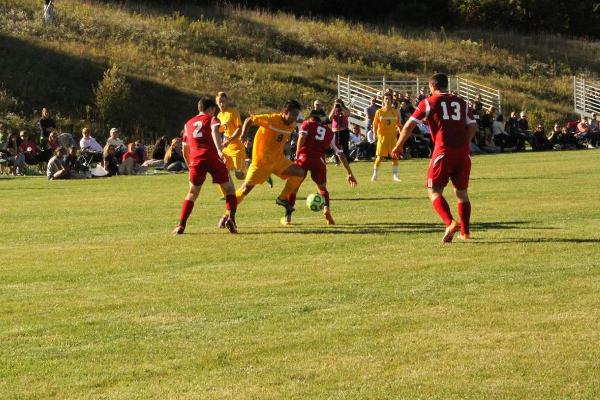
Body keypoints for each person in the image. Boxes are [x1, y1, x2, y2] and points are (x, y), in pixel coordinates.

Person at [392, 73, 478, 243]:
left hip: (443, 151)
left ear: (432, 86)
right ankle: (465, 233)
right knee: (462, 193)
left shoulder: (428, 102)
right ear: (446, 85)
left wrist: (399, 144)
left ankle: (450, 223)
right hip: (462, 152)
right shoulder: (461, 102)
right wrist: (464, 143)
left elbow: (409, 125)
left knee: (433, 190)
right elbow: (474, 126)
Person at [172, 97, 238, 235]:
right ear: (212, 109)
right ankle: (231, 219)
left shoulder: (188, 124)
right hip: (213, 157)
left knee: (192, 193)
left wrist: (190, 164)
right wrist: (220, 150)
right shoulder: (212, 119)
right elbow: (214, 131)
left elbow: (185, 148)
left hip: (196, 160)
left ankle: (181, 225)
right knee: (230, 189)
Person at [236, 100, 306, 225]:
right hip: (261, 163)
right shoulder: (271, 119)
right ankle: (227, 215)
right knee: (245, 189)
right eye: (294, 114)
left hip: (278, 161)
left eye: (297, 115)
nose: (295, 118)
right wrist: (244, 135)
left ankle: (282, 198)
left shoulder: (292, 124)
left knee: (299, 173)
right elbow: (249, 120)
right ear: (285, 112)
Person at [287, 110, 358, 225]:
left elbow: (302, 138)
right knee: (322, 189)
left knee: (293, 188)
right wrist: (349, 173)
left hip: (303, 158)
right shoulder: (330, 133)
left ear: (311, 119)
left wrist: (297, 155)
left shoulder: (307, 124)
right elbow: (340, 153)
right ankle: (326, 210)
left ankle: (288, 217)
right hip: (319, 162)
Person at [372, 92, 401, 182]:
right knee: (379, 157)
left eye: (389, 99)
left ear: (392, 100)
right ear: (383, 100)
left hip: (392, 138)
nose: (387, 100)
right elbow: (375, 124)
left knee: (394, 156)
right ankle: (375, 175)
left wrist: (401, 135)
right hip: (382, 137)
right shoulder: (379, 112)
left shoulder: (395, 112)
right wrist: (374, 134)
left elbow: (399, 125)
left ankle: (395, 176)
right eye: (386, 99)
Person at [216, 92, 246, 181]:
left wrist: (228, 140)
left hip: (237, 148)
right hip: (226, 148)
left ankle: (254, 173)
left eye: (223, 101)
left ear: (227, 101)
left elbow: (239, 129)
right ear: (216, 103)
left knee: (239, 175)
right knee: (222, 171)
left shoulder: (233, 112)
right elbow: (221, 130)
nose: (221, 104)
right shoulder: (219, 115)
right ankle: (228, 193)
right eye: (219, 102)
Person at [328, 99, 351, 164]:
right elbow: (330, 118)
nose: (337, 104)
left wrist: (341, 107)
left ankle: (347, 161)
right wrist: (334, 108)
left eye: (338, 103)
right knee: (336, 146)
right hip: (335, 131)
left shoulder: (344, 109)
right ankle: (337, 161)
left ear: (341, 103)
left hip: (344, 130)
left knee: (345, 146)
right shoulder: (334, 109)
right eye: (336, 103)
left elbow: (348, 114)